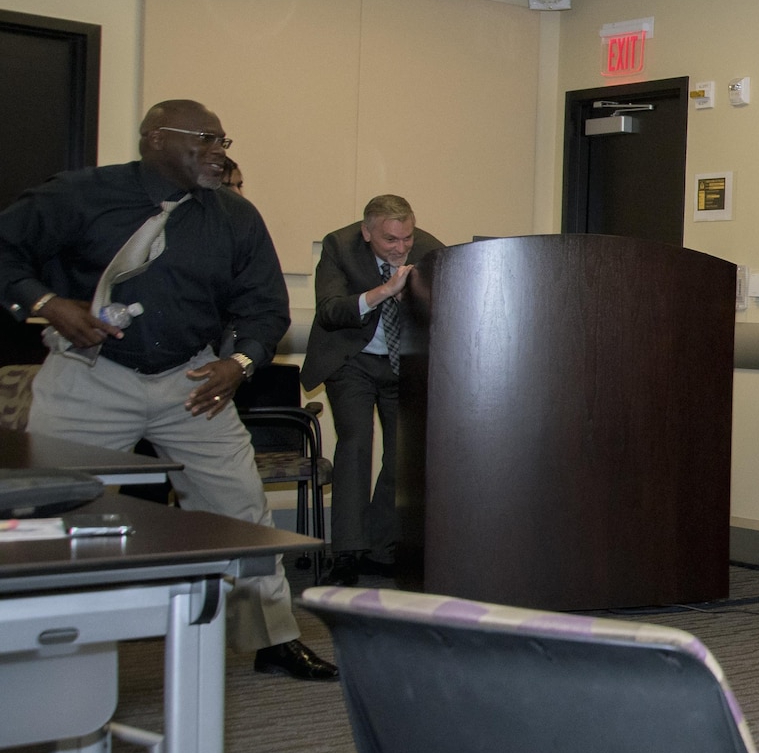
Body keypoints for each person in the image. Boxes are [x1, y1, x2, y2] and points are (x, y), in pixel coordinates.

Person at [0, 100, 337, 680]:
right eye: (206, 138)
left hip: (193, 382)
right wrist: (47, 304)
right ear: (155, 137)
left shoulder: (234, 216)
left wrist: (240, 362)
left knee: (242, 510)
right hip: (90, 376)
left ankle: (271, 637)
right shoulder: (79, 195)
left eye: (224, 141)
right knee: (47, 513)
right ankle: (36, 644)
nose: (219, 152)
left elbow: (264, 306)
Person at [302, 195, 443, 585]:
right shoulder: (339, 246)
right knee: (355, 445)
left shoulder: (432, 250)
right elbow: (330, 310)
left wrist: (414, 296)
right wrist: (385, 290)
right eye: (390, 241)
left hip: (404, 366)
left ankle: (380, 548)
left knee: (403, 456)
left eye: (406, 238)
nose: (400, 248)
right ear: (367, 233)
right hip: (353, 360)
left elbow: (449, 308)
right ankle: (347, 552)